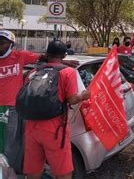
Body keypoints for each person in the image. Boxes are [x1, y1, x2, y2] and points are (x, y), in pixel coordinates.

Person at [0, 30, 77, 169]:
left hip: (15, 108)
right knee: (7, 143)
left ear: (11, 44)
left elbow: (46, 58)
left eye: (2, 42)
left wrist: (63, 61)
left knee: (15, 142)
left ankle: (11, 170)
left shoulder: (20, 56)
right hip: (5, 109)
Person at [23, 40, 90, 179]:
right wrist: (83, 96)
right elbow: (71, 99)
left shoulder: (33, 72)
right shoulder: (68, 72)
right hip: (55, 128)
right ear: (64, 56)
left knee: (33, 171)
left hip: (31, 127)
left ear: (47, 53)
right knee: (62, 172)